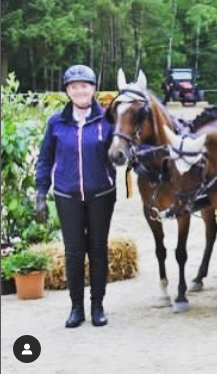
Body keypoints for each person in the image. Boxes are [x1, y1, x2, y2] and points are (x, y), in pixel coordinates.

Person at [35, 64, 117, 328]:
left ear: (93, 89)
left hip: (101, 194)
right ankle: (76, 308)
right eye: (74, 87)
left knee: (97, 250)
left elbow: (122, 151)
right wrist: (40, 191)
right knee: (73, 253)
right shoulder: (56, 123)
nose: (79, 90)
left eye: (84, 85)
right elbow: (45, 159)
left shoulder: (107, 120)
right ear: (67, 92)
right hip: (67, 195)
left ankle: (97, 307)